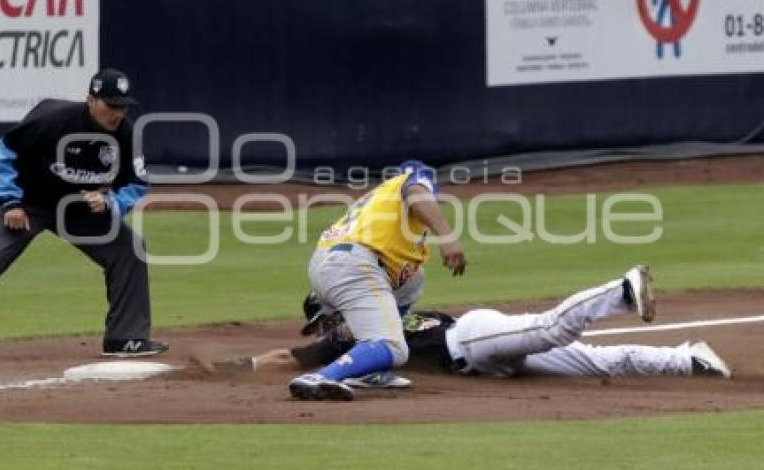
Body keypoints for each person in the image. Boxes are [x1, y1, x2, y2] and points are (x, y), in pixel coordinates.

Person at [0, 68, 168, 362]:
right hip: (30, 203)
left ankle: (124, 338)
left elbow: (137, 182)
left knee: (129, 248)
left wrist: (111, 202)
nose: (117, 113)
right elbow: (6, 150)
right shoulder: (53, 119)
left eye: (123, 106)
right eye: (111, 105)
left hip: (77, 209)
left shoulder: (127, 135)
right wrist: (10, 202)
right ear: (90, 100)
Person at [226, 265, 731, 382]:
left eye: (322, 324)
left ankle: (620, 290)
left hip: (472, 337)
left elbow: (282, 361)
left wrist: (235, 367)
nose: (322, 333)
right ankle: (689, 358)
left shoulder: (358, 334)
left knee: (552, 328)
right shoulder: (374, 324)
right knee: (598, 361)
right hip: (484, 356)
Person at [288, 160, 467, 401]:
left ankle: (368, 371)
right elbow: (416, 190)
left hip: (332, 264)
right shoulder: (412, 179)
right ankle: (322, 377)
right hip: (356, 266)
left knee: (413, 280)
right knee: (394, 348)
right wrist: (447, 236)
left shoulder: (379, 200)